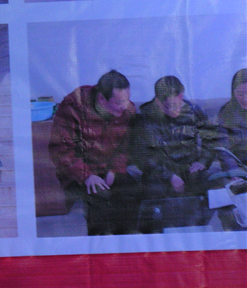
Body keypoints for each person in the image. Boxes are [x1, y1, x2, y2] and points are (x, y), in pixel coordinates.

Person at [48, 70, 139, 235]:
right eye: (119, 102)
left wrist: (114, 169)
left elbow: (125, 146)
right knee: (100, 198)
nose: (125, 106)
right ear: (102, 99)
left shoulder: (127, 110)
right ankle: (99, 242)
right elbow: (60, 151)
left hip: (108, 167)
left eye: (127, 99)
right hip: (78, 170)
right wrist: (86, 175)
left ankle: (125, 240)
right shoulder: (73, 107)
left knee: (131, 191)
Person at [131, 76, 218, 201]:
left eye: (180, 103)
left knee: (210, 185)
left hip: (189, 168)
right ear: (158, 102)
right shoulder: (145, 119)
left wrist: (203, 161)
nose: (178, 109)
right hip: (159, 172)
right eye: (172, 106)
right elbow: (144, 157)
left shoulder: (191, 110)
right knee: (156, 191)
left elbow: (211, 135)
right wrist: (169, 176)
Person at [217, 69, 247, 176]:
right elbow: (223, 149)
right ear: (233, 92)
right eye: (240, 93)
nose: (245, 99)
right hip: (237, 166)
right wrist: (234, 171)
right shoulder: (226, 112)